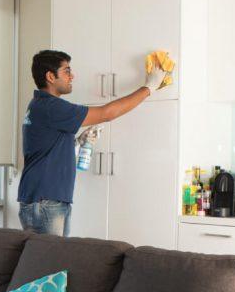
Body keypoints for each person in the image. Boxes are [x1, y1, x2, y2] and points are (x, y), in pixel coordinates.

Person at [17, 49, 168, 236]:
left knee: (54, 262)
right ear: (50, 76)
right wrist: (149, 88)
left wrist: (78, 142)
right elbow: (107, 113)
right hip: (46, 202)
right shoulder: (50, 106)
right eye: (66, 71)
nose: (72, 76)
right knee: (50, 264)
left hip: (45, 200)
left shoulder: (39, 105)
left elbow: (46, 150)